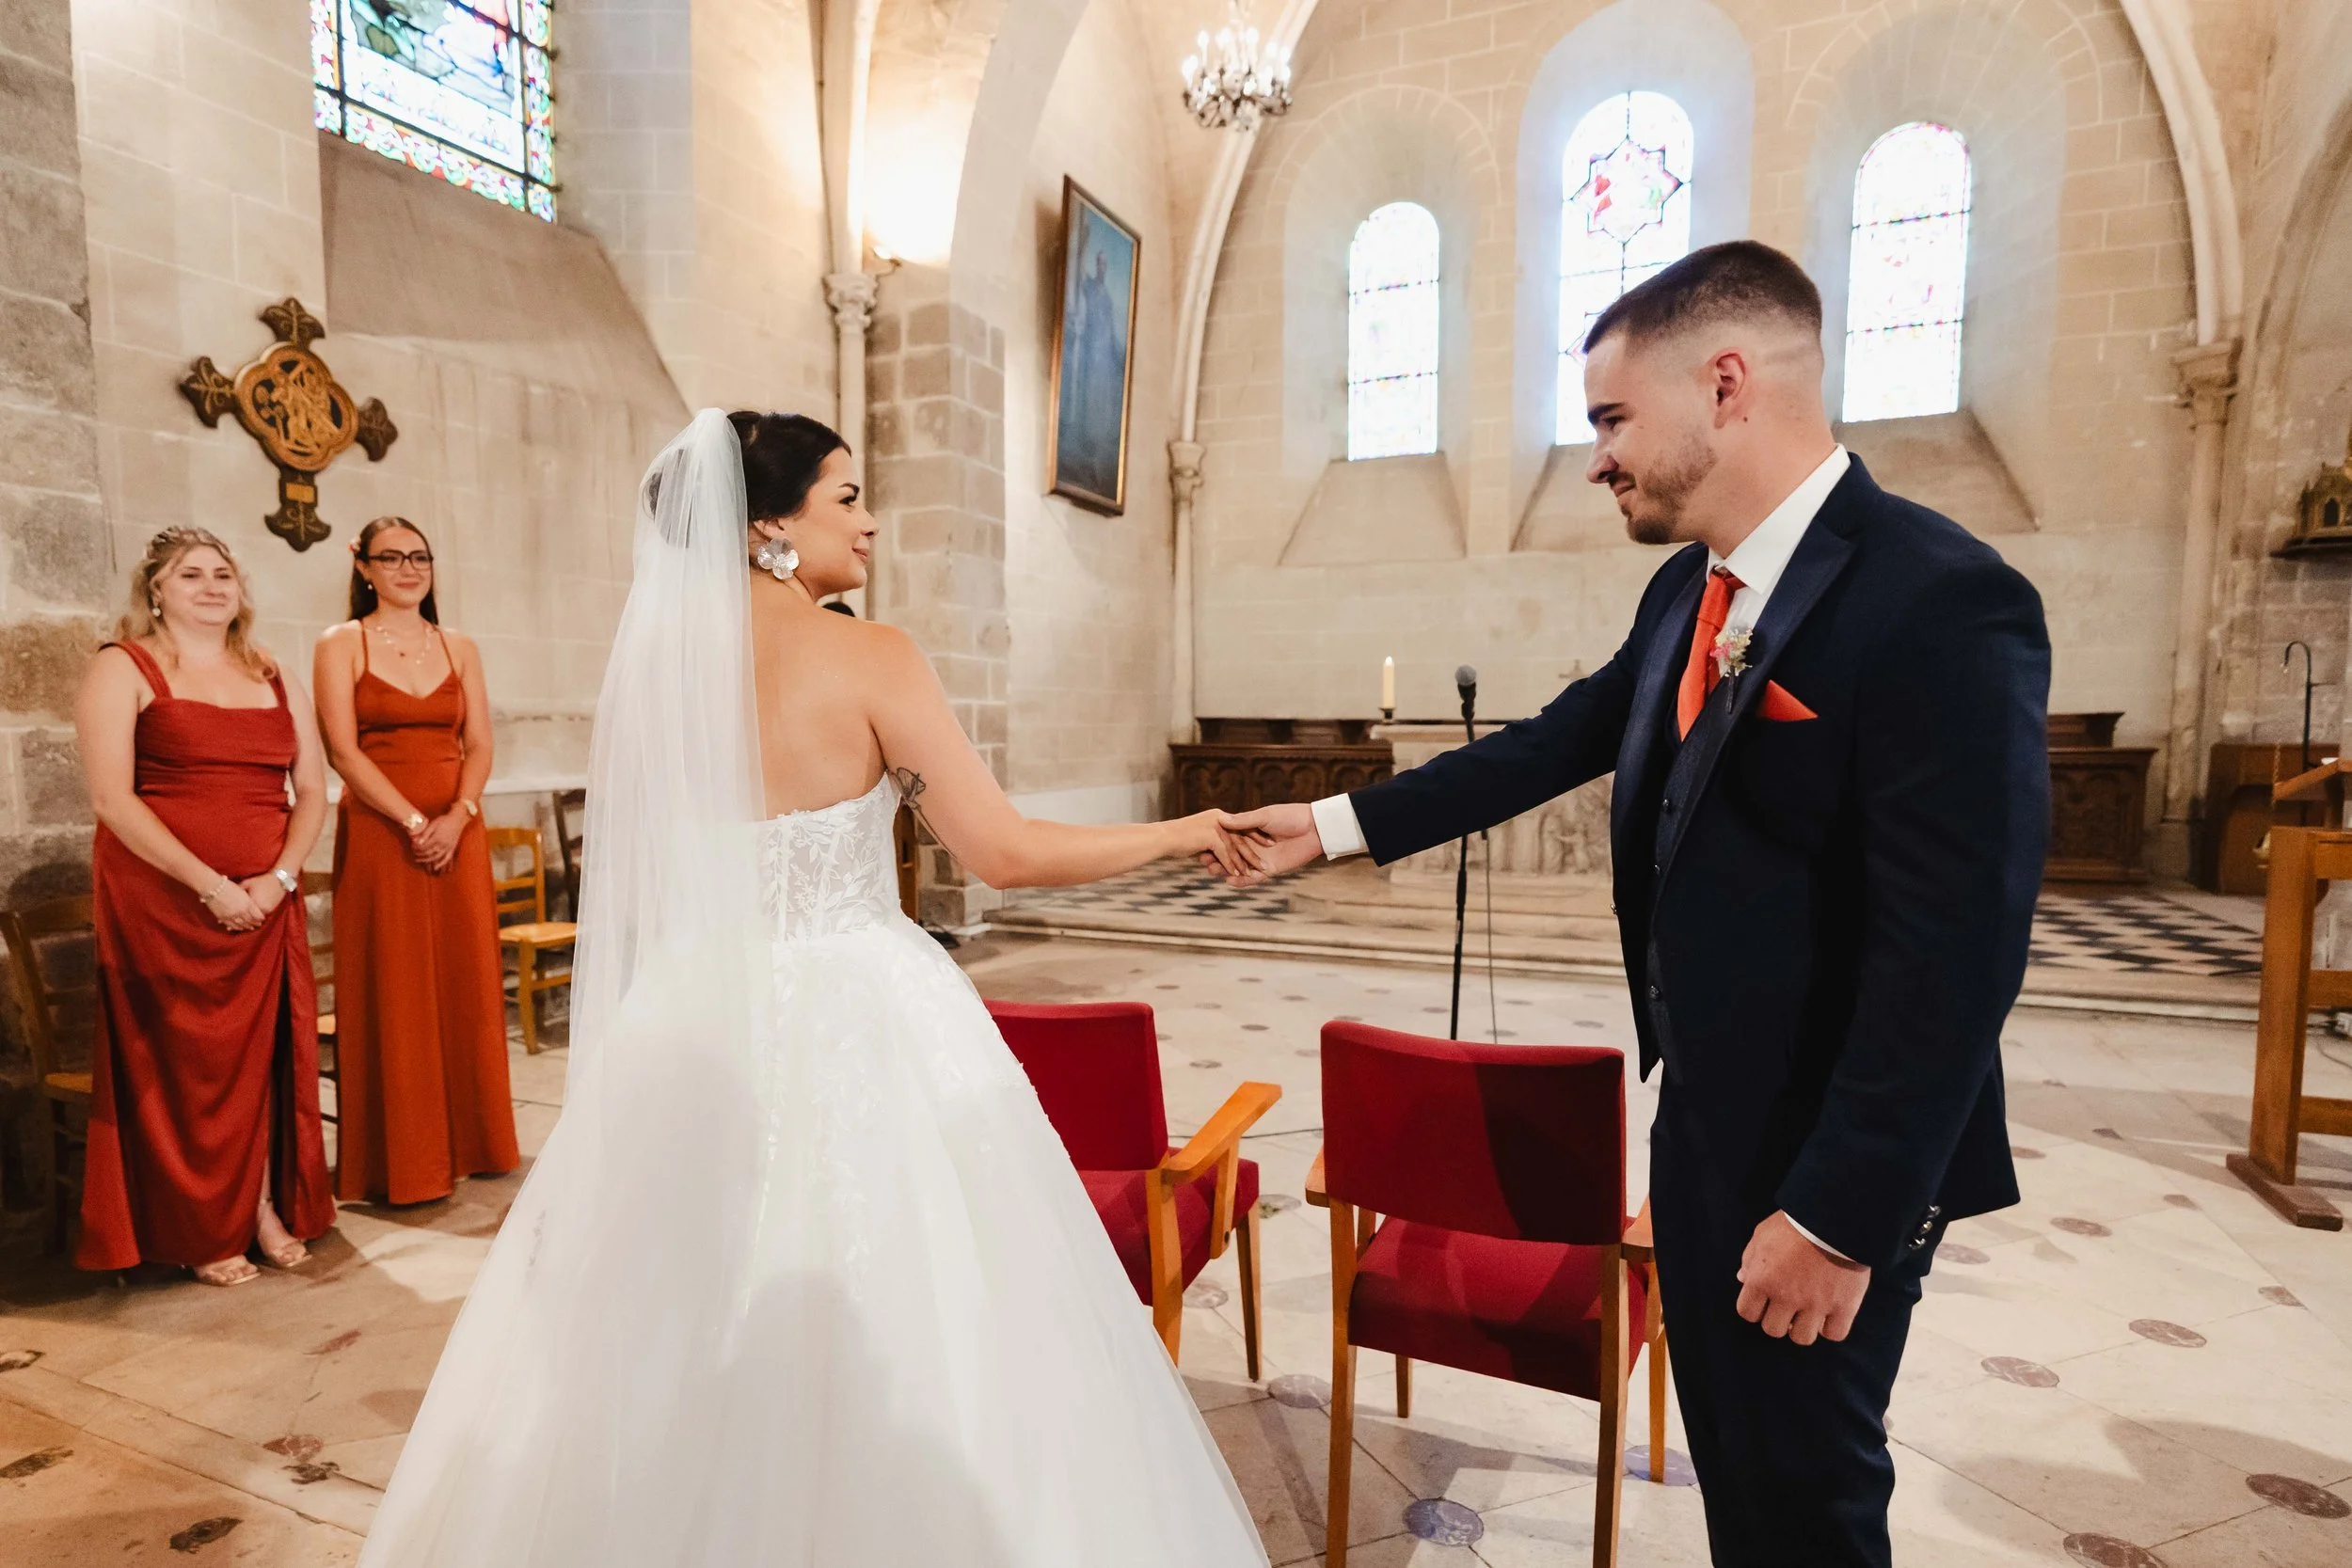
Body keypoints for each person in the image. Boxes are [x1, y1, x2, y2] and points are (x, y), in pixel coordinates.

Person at [1222, 242, 2050, 1568]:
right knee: (1740, 1468)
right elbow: (1547, 743)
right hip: (1708, 1131)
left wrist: (1840, 1215)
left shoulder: (1940, 599)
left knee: (1807, 1494)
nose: (1596, 454)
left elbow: (1954, 954)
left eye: (1612, 417)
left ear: (1726, 383)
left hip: (1830, 1165)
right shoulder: (1687, 590)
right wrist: (1326, 825)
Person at [356, 410, 1268, 1566]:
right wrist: (1182, 830)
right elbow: (1006, 853)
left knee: (672, 1326)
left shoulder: (658, 679)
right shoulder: (871, 654)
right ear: (766, 528)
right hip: (862, 1009)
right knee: (928, 1314)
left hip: (689, 1021)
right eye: (846, 496)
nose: (872, 517)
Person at [73, 527, 338, 1285]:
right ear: (155, 588)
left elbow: (313, 791)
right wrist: (211, 885)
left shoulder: (273, 672)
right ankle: (200, 1226)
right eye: (191, 574)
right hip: (164, 901)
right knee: (189, 1068)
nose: (212, 585)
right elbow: (110, 798)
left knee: (260, 1062)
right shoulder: (123, 668)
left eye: (224, 573)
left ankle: (256, 1207)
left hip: (263, 901)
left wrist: (278, 879)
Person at [314, 517, 517, 1206]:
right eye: (391, 557)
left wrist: (457, 817)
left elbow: (481, 743)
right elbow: (342, 751)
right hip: (381, 834)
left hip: (457, 833)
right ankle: (402, 1159)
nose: (408, 567)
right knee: (395, 985)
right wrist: (411, 821)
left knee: (464, 980)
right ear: (363, 566)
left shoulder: (459, 645)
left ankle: (478, 1140)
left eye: (420, 556)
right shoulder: (341, 643)